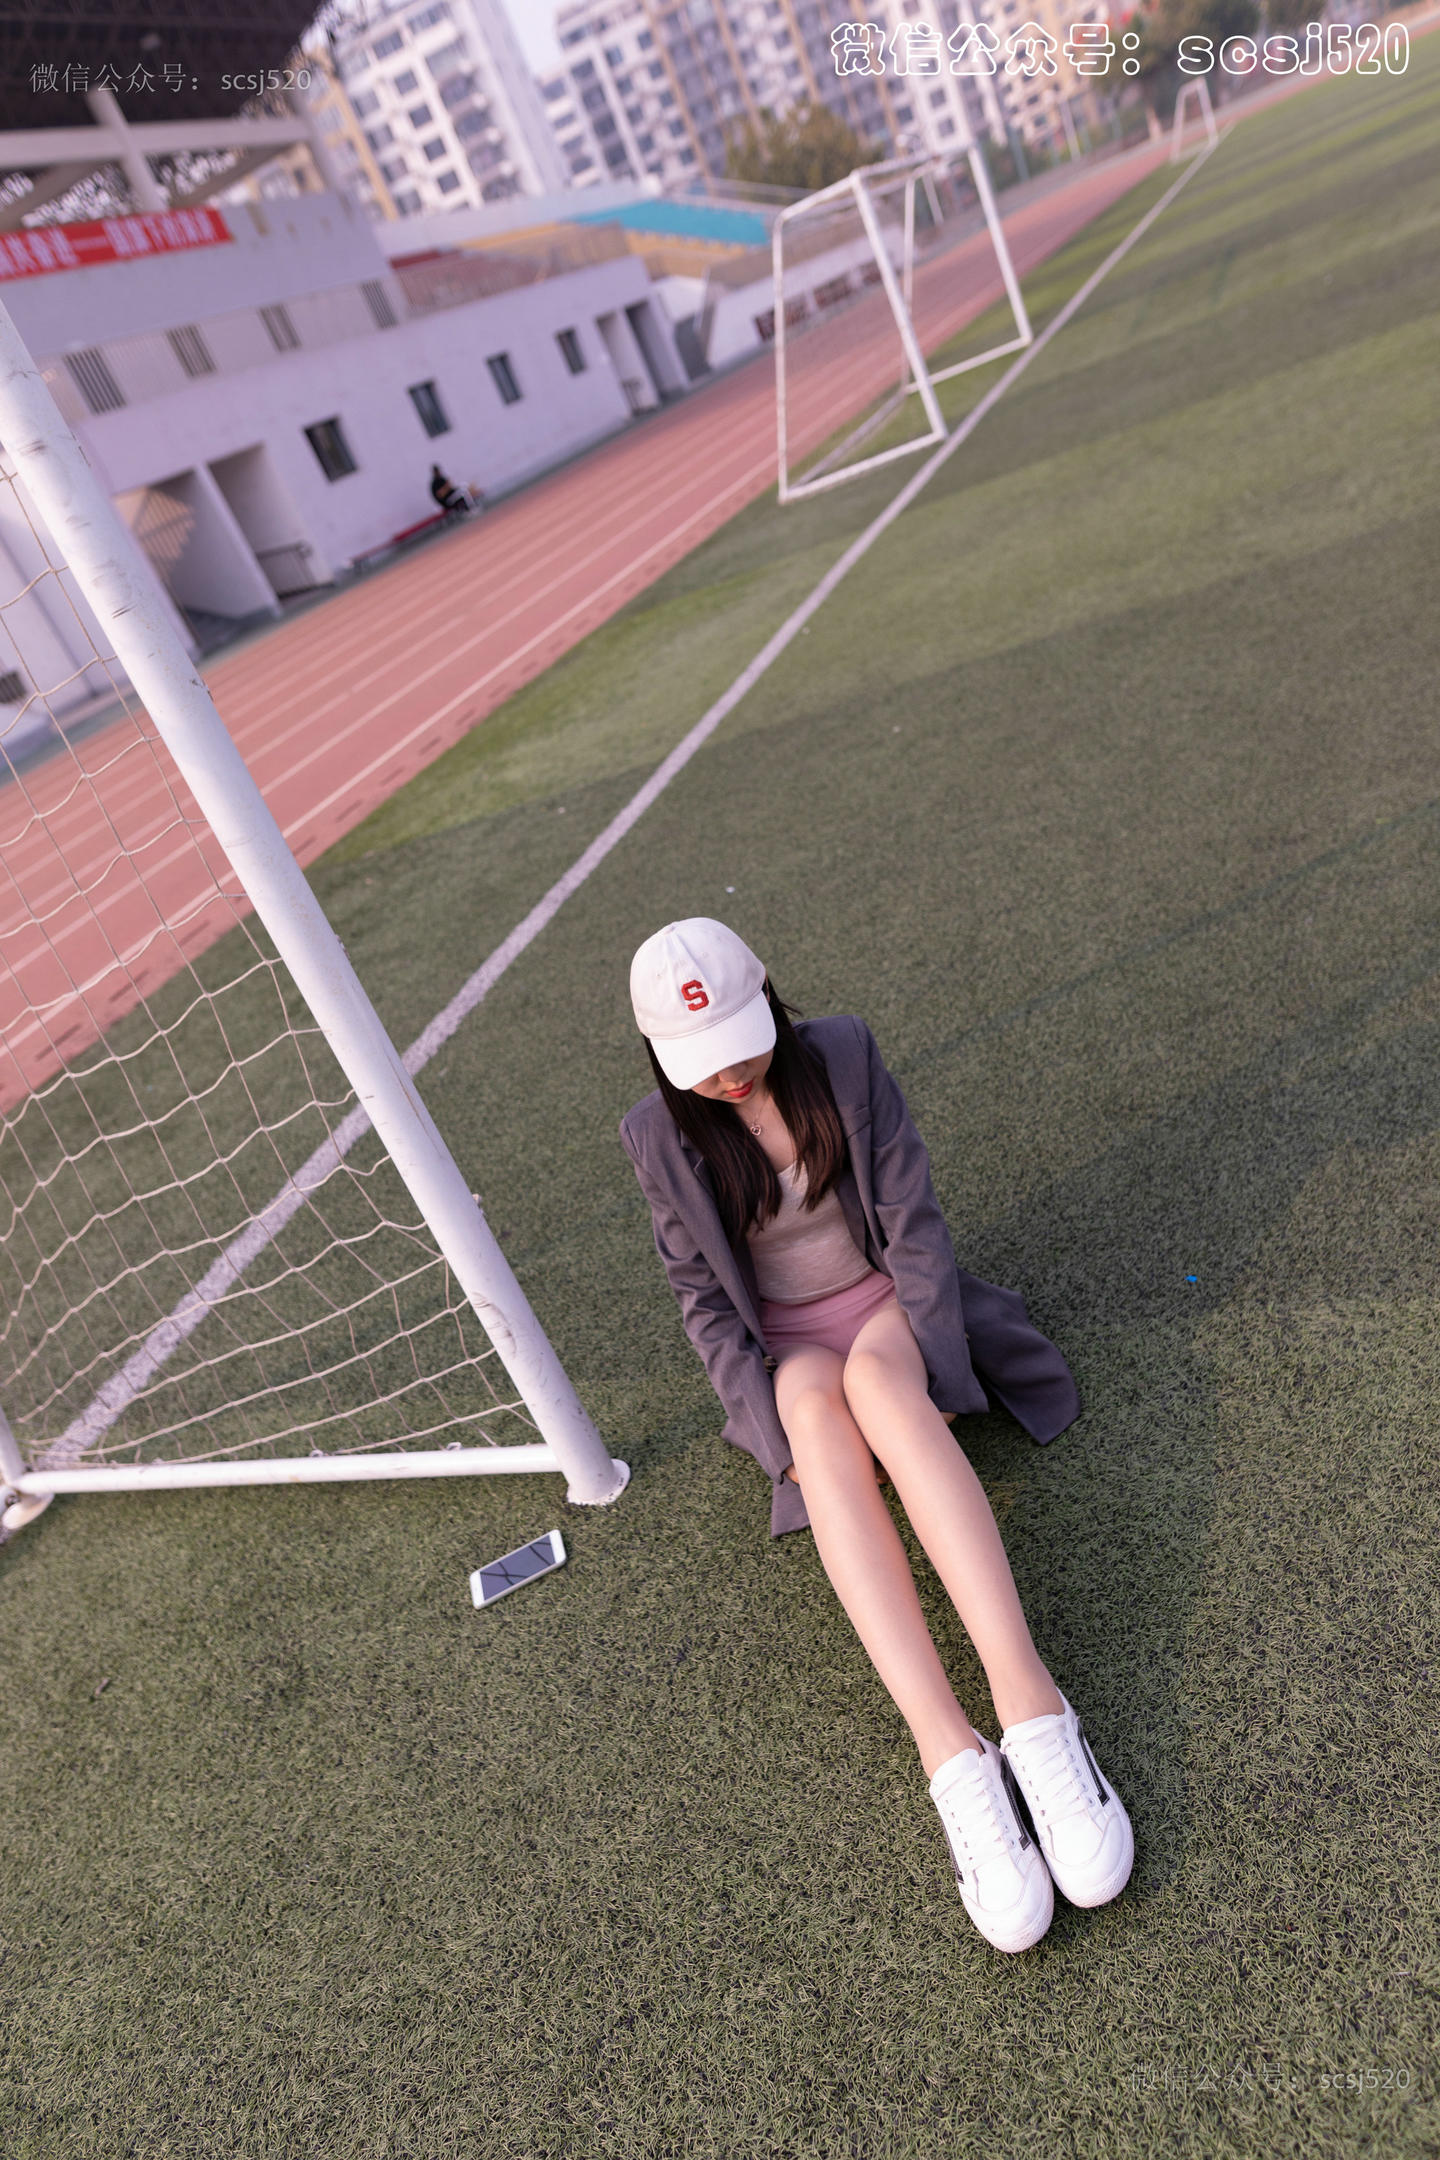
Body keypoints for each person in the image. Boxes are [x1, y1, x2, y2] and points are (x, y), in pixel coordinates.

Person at [621, 918, 1134, 1954]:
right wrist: (775, 1443)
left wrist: (939, 1369)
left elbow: (915, 1227)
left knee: (884, 1396)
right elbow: (705, 1305)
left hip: (882, 1302)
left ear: (768, 994)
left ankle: (1033, 1709)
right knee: (815, 1423)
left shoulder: (843, 1053)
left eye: (740, 1044)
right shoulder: (656, 1135)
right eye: (700, 1063)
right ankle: (950, 1755)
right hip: (793, 1346)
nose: (727, 1076)